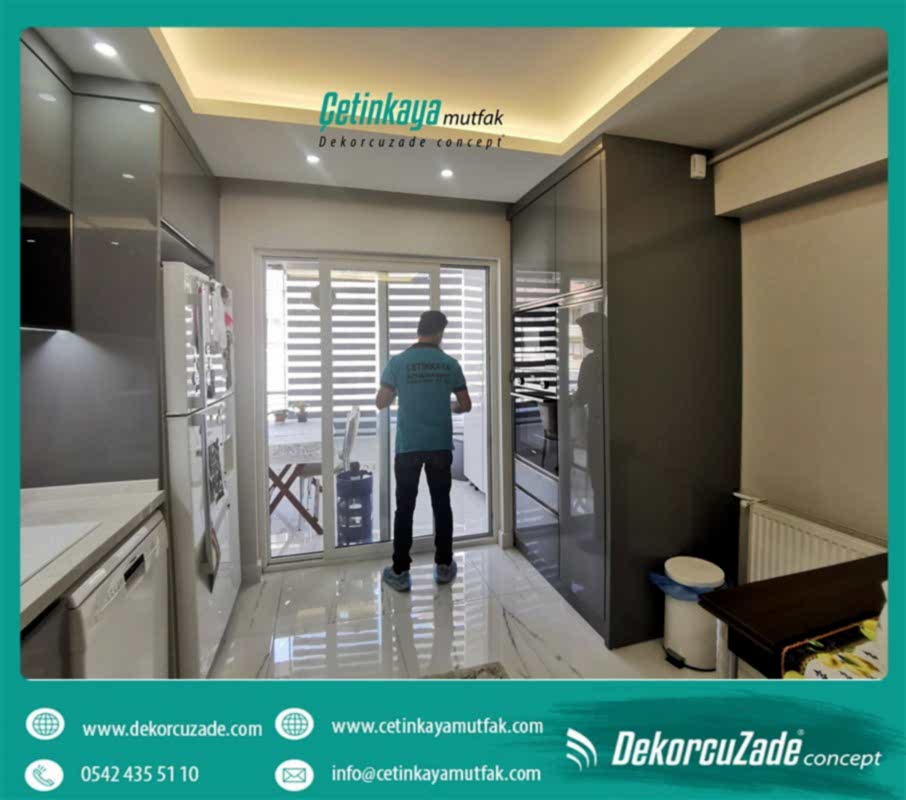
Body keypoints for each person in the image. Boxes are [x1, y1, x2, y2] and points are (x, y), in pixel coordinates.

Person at [375, 310, 472, 592]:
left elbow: (381, 402)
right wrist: (447, 405)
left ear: (419, 331)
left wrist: (402, 393)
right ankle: (444, 566)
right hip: (439, 446)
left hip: (408, 447)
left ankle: (400, 571)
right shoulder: (450, 364)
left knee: (405, 507)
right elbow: (465, 404)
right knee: (441, 505)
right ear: (440, 333)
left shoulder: (398, 363)